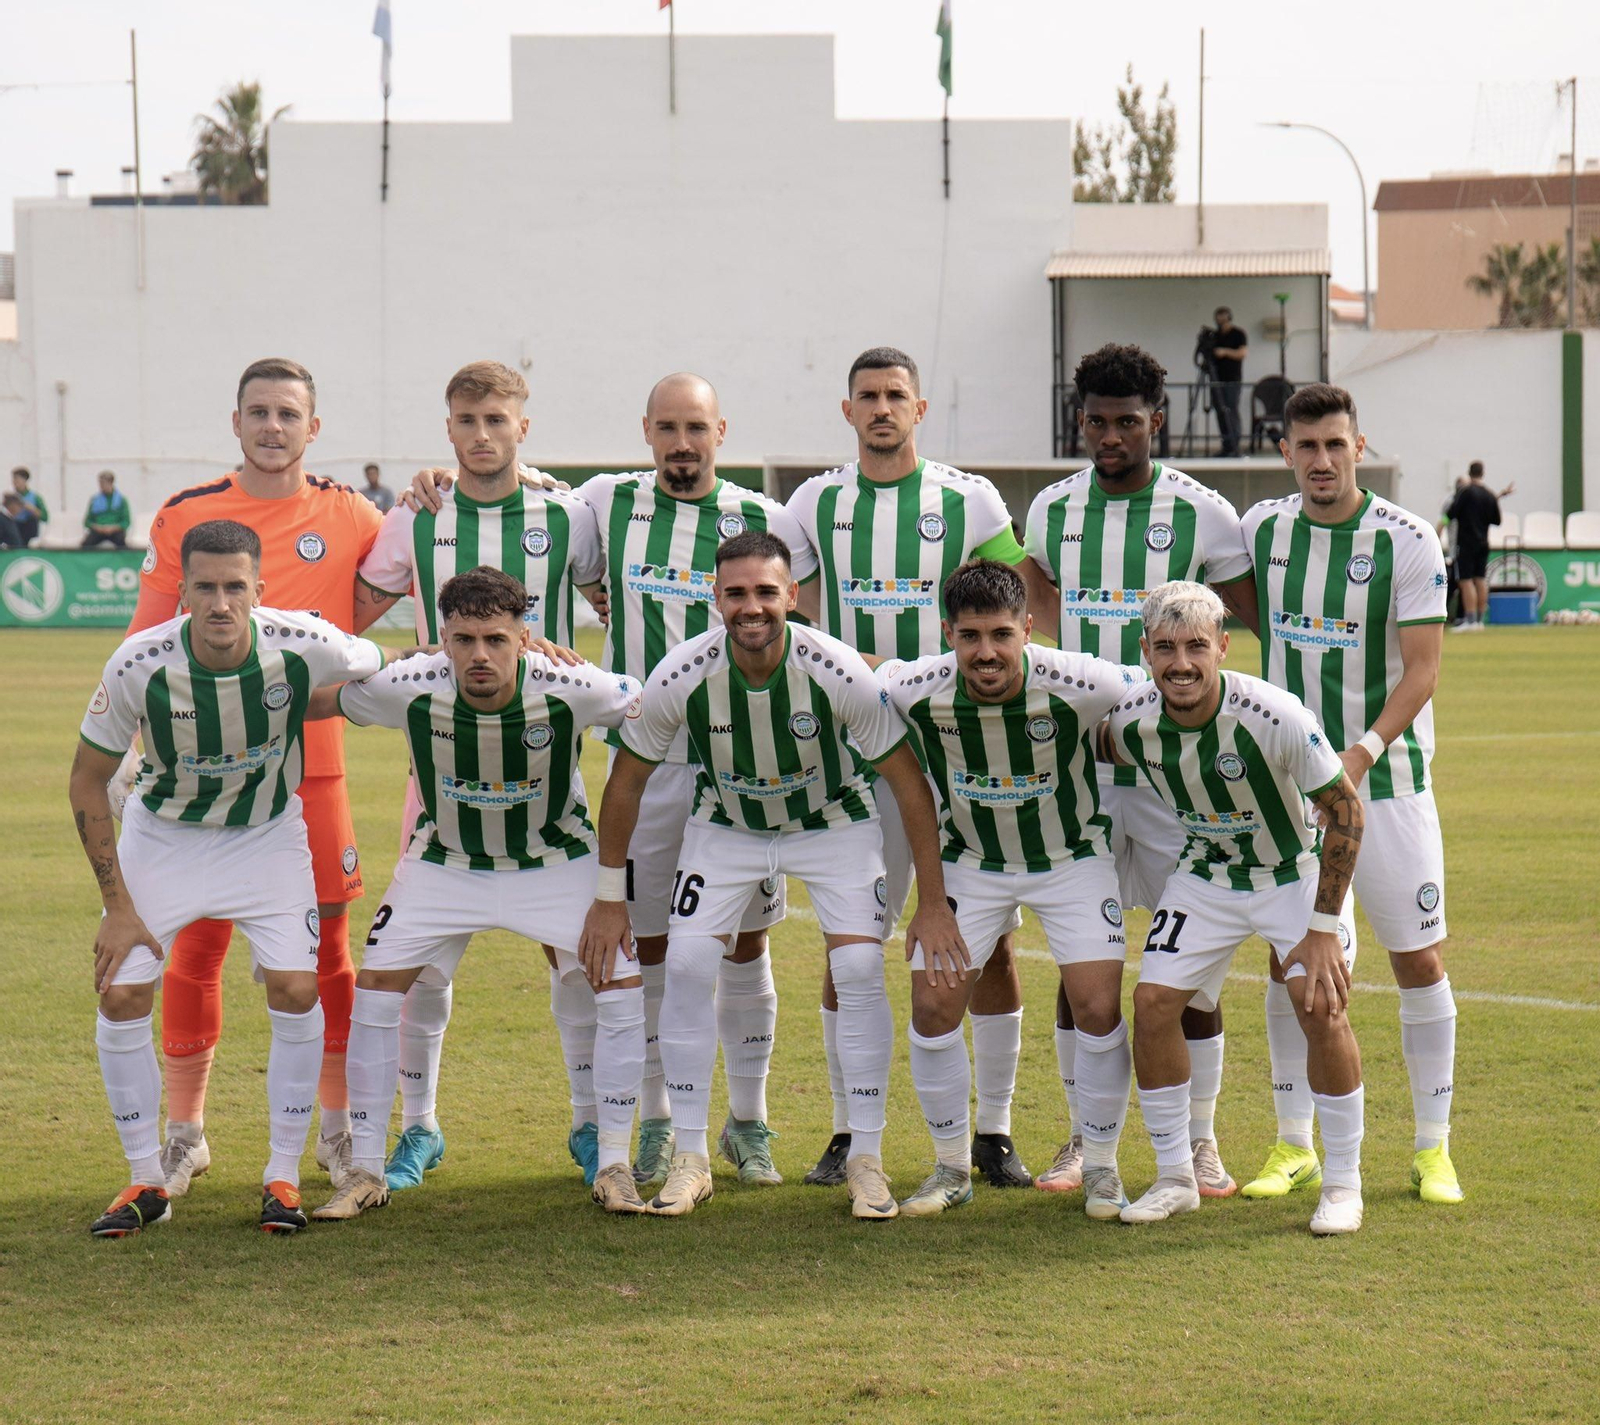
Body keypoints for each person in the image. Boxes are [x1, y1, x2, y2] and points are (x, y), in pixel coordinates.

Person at [581, 530, 964, 1220]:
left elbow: (909, 784)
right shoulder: (683, 672)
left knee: (857, 968)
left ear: (791, 594)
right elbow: (626, 782)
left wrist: (932, 902)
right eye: (736, 593)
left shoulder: (837, 668)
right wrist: (611, 899)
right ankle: (692, 1157)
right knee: (689, 963)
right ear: (716, 598)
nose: (751, 606)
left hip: (832, 822)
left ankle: (866, 1158)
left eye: (765, 591)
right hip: (726, 826)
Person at [69, 519, 388, 1236]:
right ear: (182, 592)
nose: (220, 603)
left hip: (266, 837)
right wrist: (116, 906)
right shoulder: (138, 664)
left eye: (235, 587)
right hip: (164, 838)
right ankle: (146, 1179)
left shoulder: (305, 642)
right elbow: (88, 780)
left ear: (259, 590)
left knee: (297, 987)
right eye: (205, 588)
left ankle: (281, 1175)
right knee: (121, 993)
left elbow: (380, 662)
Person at [308, 567, 649, 1220]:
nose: (480, 655)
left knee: (620, 984)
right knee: (376, 990)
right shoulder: (411, 683)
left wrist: (612, 891)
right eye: (464, 640)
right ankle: (366, 1170)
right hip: (447, 861)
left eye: (496, 639)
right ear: (444, 639)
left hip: (555, 859)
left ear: (525, 636)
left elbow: (651, 707)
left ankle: (613, 1162)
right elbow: (315, 701)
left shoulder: (573, 686)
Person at [125, 357, 384, 1196]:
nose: (274, 427)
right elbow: (143, 641)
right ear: (235, 421)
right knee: (195, 946)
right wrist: (136, 749)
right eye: (259, 412)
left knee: (327, 954)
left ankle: (335, 1129)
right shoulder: (186, 513)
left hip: (313, 770)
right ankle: (186, 1132)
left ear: (315, 426)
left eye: (289, 413)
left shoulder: (351, 513)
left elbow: (427, 555)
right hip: (204, 773)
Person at [352, 360, 605, 1193]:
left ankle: (588, 1123)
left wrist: (571, 660)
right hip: (439, 772)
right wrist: (403, 658)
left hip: (549, 767)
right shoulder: (414, 516)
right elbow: (348, 619)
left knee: (574, 957)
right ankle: (419, 1126)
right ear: (448, 427)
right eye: (467, 420)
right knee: (422, 961)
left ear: (522, 426)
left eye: (497, 419)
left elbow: (614, 604)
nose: (483, 434)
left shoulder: (566, 515)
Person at [788, 345, 1037, 1191]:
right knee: (850, 949)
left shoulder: (969, 499)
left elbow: (1015, 604)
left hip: (956, 752)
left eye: (897, 394)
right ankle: (847, 1128)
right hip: (853, 759)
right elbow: (781, 592)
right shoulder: (815, 502)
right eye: (868, 396)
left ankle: (994, 1130)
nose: (882, 407)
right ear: (848, 410)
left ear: (919, 409)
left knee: (989, 949)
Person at [1023, 343, 1257, 1199]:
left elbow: (1246, 625)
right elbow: (1035, 600)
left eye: (1127, 421)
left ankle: (1200, 1139)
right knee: (1081, 965)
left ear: (1157, 419)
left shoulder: (1204, 513)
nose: (1111, 436)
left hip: (1170, 781)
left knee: (1187, 964)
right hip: (1080, 777)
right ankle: (1083, 1139)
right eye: (1096, 421)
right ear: (1080, 421)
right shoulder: (1051, 509)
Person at [574, 374, 817, 1190]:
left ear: (722, 431)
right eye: (669, 427)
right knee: (647, 944)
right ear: (646, 430)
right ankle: (656, 1121)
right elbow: (528, 517)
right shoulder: (606, 502)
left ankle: (747, 1122)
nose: (683, 443)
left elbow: (801, 606)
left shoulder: (763, 517)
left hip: (741, 763)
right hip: (646, 765)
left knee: (746, 941)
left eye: (697, 428)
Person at [1242, 382, 1462, 1206]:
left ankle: (1433, 1147)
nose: (1322, 459)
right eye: (1307, 445)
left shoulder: (1407, 538)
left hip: (1390, 784)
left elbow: (1423, 669)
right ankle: (1294, 1141)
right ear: (1285, 451)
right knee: (1290, 959)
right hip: (1290, 787)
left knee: (1418, 957)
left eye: (1336, 444)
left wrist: (1361, 754)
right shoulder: (1263, 529)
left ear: (1359, 447)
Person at [1104, 580, 1367, 1235]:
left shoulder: (1275, 716)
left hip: (1294, 872)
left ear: (1223, 647)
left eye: (1196, 646)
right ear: (1145, 650)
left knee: (1319, 1003)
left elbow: (1346, 811)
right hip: (1207, 874)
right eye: (1166, 647)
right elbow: (1090, 745)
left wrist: (1323, 930)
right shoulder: (1128, 721)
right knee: (1152, 1003)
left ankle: (1343, 1184)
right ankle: (1175, 1177)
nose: (1181, 663)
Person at [879, 561, 1140, 1218]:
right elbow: (853, 671)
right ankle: (949, 1168)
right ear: (948, 634)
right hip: (972, 863)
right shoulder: (916, 689)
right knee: (932, 1005)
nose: (986, 651)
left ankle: (1102, 1167)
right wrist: (929, 902)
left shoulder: (1086, 682)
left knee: (1097, 1005)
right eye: (970, 636)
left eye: (1001, 633)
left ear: (1028, 628)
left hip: (1071, 858)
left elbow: (1157, 688)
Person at [1444, 461, 1503, 631]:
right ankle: (1479, 620)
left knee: (1466, 580)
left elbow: (1451, 513)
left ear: (1469, 473)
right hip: (1484, 542)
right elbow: (1497, 520)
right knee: (1480, 579)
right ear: (1483, 473)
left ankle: (1469, 620)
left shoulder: (1466, 492)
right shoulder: (1489, 495)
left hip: (1466, 543)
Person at [1206, 308, 1247, 456]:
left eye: (1223, 318)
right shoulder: (1215, 336)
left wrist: (1225, 352)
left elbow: (1242, 353)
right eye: (1218, 319)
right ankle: (1226, 445)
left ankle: (1235, 444)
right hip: (1217, 379)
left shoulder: (1238, 334)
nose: (1220, 322)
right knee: (1220, 411)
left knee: (1231, 410)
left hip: (1232, 379)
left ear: (1229, 318)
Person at [82, 470, 133, 548]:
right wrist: (98, 527)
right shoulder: (95, 500)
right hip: (98, 531)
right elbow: (87, 522)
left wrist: (113, 528)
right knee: (86, 545)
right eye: (100, 483)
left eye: (103, 483)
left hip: (115, 531)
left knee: (122, 544)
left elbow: (126, 522)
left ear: (111, 483)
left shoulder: (121, 500)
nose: (101, 486)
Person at [12, 466, 49, 530]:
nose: (14, 482)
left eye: (17, 480)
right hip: (15, 527)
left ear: (24, 480)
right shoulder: (12, 497)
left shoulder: (35, 497)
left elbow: (45, 517)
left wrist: (32, 509)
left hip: (29, 528)